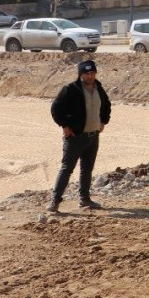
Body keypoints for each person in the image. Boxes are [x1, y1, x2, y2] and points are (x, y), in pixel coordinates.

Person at [47, 59, 112, 212]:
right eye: (86, 73)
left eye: (92, 73)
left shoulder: (99, 88)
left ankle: (85, 199)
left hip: (93, 136)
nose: (90, 76)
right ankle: (54, 201)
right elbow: (56, 109)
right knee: (66, 169)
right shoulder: (71, 89)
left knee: (87, 169)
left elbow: (106, 105)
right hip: (76, 137)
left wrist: (103, 121)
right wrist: (65, 126)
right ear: (80, 74)